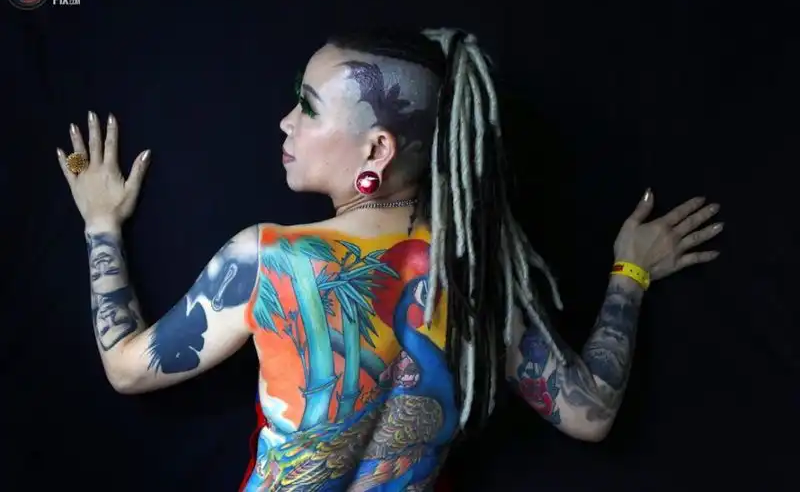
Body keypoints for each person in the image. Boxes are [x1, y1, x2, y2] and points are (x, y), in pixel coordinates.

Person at [56, 28, 723, 491]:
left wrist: (100, 225)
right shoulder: (478, 278)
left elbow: (126, 368)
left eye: (307, 108)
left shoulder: (270, 258)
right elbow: (590, 411)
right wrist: (629, 274)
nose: (285, 122)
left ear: (375, 150)